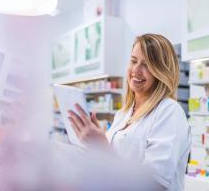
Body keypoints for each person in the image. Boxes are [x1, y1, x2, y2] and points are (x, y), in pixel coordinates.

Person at [68, 33, 191, 191]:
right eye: (133, 61)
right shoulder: (123, 114)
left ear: (162, 71)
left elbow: (154, 184)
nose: (136, 70)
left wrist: (103, 148)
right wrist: (93, 141)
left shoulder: (169, 112)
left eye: (146, 64)